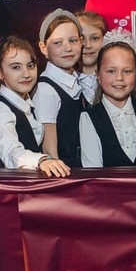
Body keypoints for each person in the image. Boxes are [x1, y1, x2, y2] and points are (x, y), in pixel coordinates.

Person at [79, 33, 136, 167]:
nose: (119, 78)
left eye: (127, 71)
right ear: (98, 75)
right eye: (111, 71)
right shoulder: (88, 118)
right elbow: (93, 169)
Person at [0, 35, 71, 176]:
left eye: (30, 66)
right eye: (16, 67)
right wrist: (41, 160)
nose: (26, 74)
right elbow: (10, 151)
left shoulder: (28, 104)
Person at [33, 9, 87, 167]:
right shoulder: (46, 90)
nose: (67, 48)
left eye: (73, 40)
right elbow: (49, 150)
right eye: (58, 43)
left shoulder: (79, 81)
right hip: (65, 169)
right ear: (43, 47)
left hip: (83, 165)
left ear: (81, 41)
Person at [76, 10, 107, 105]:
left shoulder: (115, 80)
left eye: (95, 38)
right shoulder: (66, 82)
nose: (88, 45)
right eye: (81, 39)